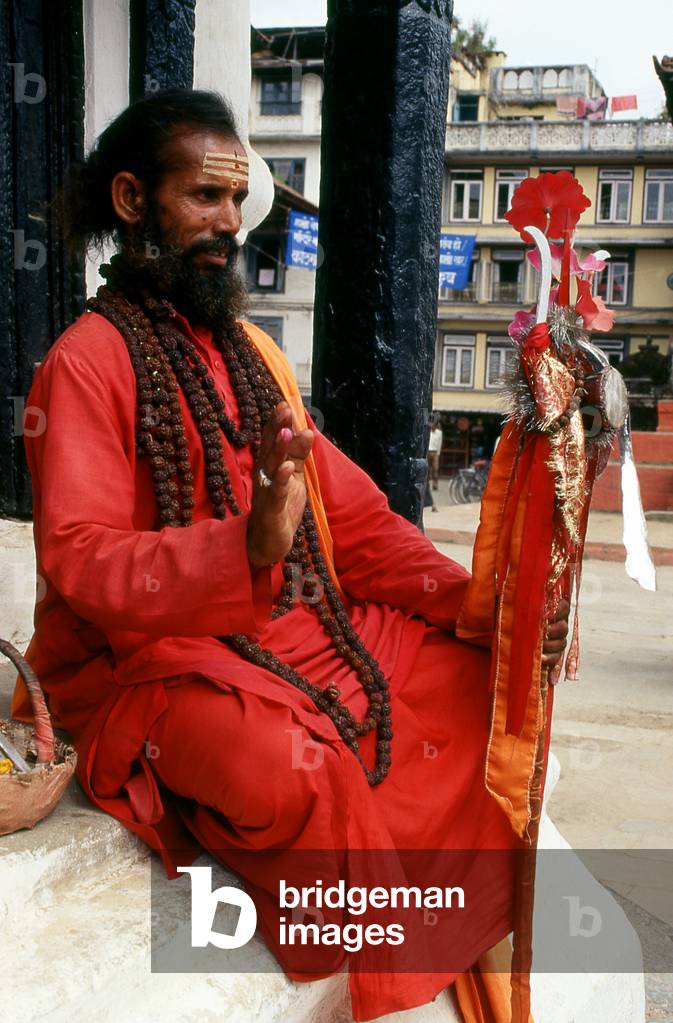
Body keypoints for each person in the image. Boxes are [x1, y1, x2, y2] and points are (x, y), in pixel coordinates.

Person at [12, 90, 569, 1022]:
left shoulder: (254, 356)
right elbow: (81, 560)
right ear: (129, 199)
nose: (230, 222)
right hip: (142, 666)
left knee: (490, 683)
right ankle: (387, 981)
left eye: (238, 201)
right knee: (292, 769)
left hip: (293, 631)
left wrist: (486, 607)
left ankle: (470, 939)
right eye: (204, 197)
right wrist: (241, 547)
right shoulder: (83, 363)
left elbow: (353, 521)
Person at [428, 417, 443, 491]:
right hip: (428, 451)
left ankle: (435, 484)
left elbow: (440, 443)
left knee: (435, 469)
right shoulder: (428, 432)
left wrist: (438, 453)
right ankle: (426, 484)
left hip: (435, 452)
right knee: (427, 469)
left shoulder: (439, 433)